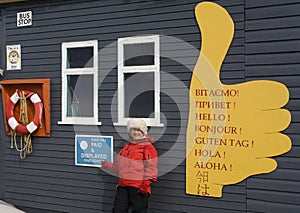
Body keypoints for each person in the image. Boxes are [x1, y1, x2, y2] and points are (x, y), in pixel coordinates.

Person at [102, 118, 158, 213]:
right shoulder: (127, 148)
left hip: (138, 187)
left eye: (138, 130)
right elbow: (120, 167)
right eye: (133, 130)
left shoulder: (147, 147)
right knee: (118, 210)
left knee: (139, 210)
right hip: (123, 185)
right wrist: (108, 165)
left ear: (143, 132)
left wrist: (145, 184)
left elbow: (151, 168)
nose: (135, 132)